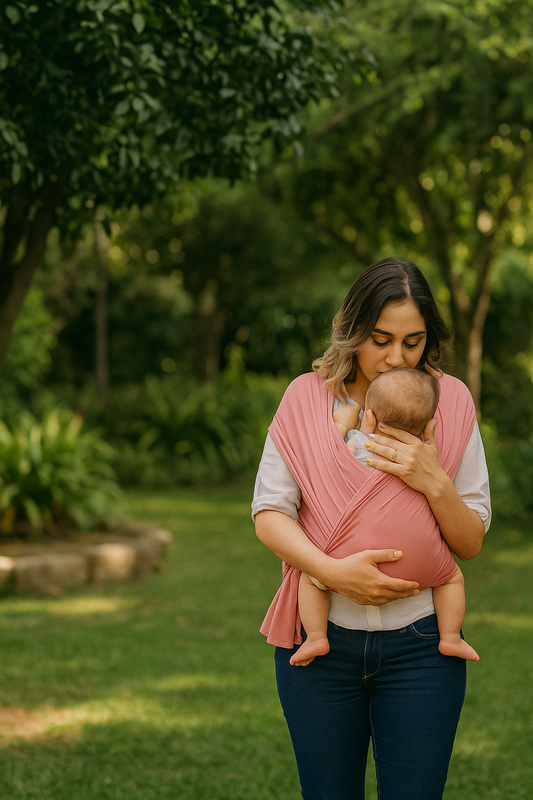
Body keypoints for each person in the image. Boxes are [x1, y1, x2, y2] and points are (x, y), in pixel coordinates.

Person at [252, 258, 491, 800]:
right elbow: (269, 513)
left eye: (413, 341)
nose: (395, 358)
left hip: (422, 650)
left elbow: (470, 543)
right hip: (321, 650)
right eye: (380, 339)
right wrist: (334, 572)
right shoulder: (307, 399)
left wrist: (432, 479)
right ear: (353, 329)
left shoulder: (448, 401)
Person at [291, 367, 479, 668]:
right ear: (427, 424)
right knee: (452, 578)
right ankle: (451, 636)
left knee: (312, 579)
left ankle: (315, 637)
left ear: (372, 417)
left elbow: (326, 460)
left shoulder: (358, 444)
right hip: (419, 564)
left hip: (345, 558)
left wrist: (341, 425)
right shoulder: (426, 455)